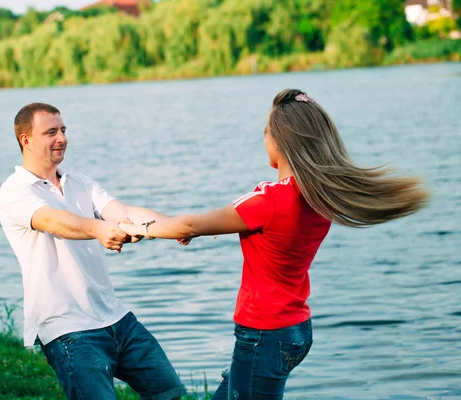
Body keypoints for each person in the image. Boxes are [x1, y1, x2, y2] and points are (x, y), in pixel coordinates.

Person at [119, 89, 430, 400]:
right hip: (294, 330)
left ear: (281, 141)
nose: (263, 138)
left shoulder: (268, 199)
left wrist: (144, 228)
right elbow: (210, 226)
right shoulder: (321, 197)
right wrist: (186, 228)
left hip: (263, 333)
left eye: (266, 131)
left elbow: (190, 224)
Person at [0, 103, 187, 400]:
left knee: (170, 393)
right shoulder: (16, 191)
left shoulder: (80, 182)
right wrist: (98, 229)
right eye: (51, 132)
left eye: (63, 130)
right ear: (26, 140)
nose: (61, 138)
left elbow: (122, 211)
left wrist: (173, 226)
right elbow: (53, 221)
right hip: (68, 329)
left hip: (116, 318)